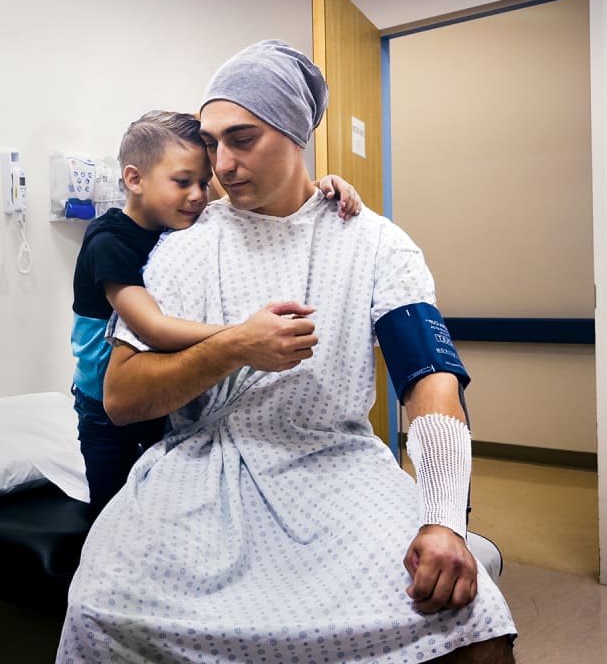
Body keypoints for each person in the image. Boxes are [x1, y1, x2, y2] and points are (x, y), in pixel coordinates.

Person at [58, 42, 517, 663]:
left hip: (336, 464)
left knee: (475, 620)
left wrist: (443, 519)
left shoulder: (375, 244)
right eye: (213, 144)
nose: (222, 165)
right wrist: (235, 347)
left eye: (242, 140)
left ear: (297, 134)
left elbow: (431, 380)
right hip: (203, 469)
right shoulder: (185, 248)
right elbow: (120, 398)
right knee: (97, 610)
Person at [71, 109, 361, 516]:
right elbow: (152, 328)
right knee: (114, 513)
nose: (199, 195)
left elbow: (252, 198)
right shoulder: (108, 241)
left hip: (164, 402)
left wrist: (317, 191)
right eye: (183, 182)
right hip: (104, 411)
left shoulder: (178, 223)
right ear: (134, 179)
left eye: (203, 182)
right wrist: (242, 337)